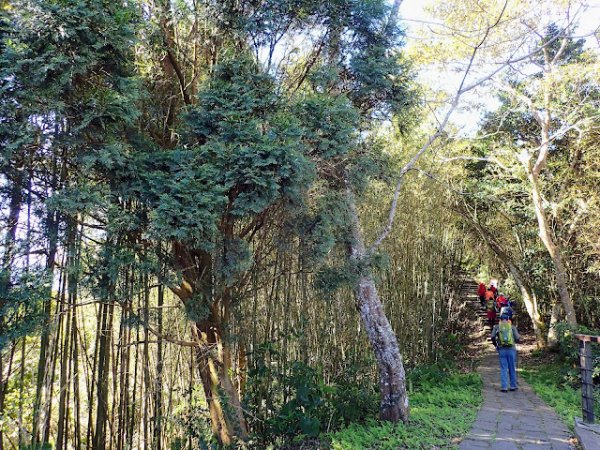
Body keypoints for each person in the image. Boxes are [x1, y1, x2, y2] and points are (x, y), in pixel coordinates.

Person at [491, 314, 520, 392]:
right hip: (511, 349)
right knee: (512, 368)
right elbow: (517, 338)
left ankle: (504, 387)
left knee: (503, 368)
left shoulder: (497, 327)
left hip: (501, 349)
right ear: (508, 319)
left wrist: (495, 344)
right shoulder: (512, 327)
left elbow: (492, 336)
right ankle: (513, 386)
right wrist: (514, 341)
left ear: (500, 319)